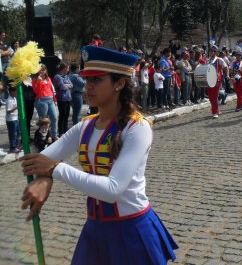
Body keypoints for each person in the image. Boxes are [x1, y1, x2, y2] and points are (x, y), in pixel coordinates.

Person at [20, 46, 178, 264]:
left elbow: (113, 189)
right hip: (95, 231)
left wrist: (54, 170)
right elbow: (40, 160)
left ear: (119, 84)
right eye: (87, 80)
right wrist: (44, 179)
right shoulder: (84, 127)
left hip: (131, 230)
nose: (88, 87)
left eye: (97, 80)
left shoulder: (137, 128)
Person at [32, 65, 59, 142]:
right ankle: (43, 136)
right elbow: (36, 91)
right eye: (40, 70)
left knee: (54, 118)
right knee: (43, 120)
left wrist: (55, 99)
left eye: (43, 70)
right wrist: (38, 81)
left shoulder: (48, 78)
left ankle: (54, 135)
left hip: (50, 99)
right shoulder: (35, 79)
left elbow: (51, 89)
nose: (41, 72)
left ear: (46, 70)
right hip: (41, 100)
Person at [207, 45, 228, 119]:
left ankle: (215, 112)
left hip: (217, 80)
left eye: (212, 51)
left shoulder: (219, 59)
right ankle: (217, 110)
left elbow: (225, 67)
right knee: (210, 97)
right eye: (209, 51)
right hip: (209, 81)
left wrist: (227, 75)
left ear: (215, 52)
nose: (210, 52)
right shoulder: (208, 60)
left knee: (215, 96)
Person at [54, 62, 73, 136]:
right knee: (62, 115)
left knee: (67, 115)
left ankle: (65, 130)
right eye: (67, 68)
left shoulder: (66, 76)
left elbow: (72, 85)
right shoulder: (57, 77)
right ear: (64, 68)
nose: (68, 70)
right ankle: (61, 132)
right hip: (61, 99)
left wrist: (66, 85)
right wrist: (67, 85)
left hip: (68, 98)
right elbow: (62, 87)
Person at [5, 87, 21, 153]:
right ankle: (12, 147)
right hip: (11, 119)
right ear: (11, 92)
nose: (16, 93)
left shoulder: (14, 98)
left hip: (16, 118)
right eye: (15, 92)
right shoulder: (9, 100)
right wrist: (16, 107)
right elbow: (8, 111)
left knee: (17, 133)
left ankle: (17, 146)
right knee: (13, 133)